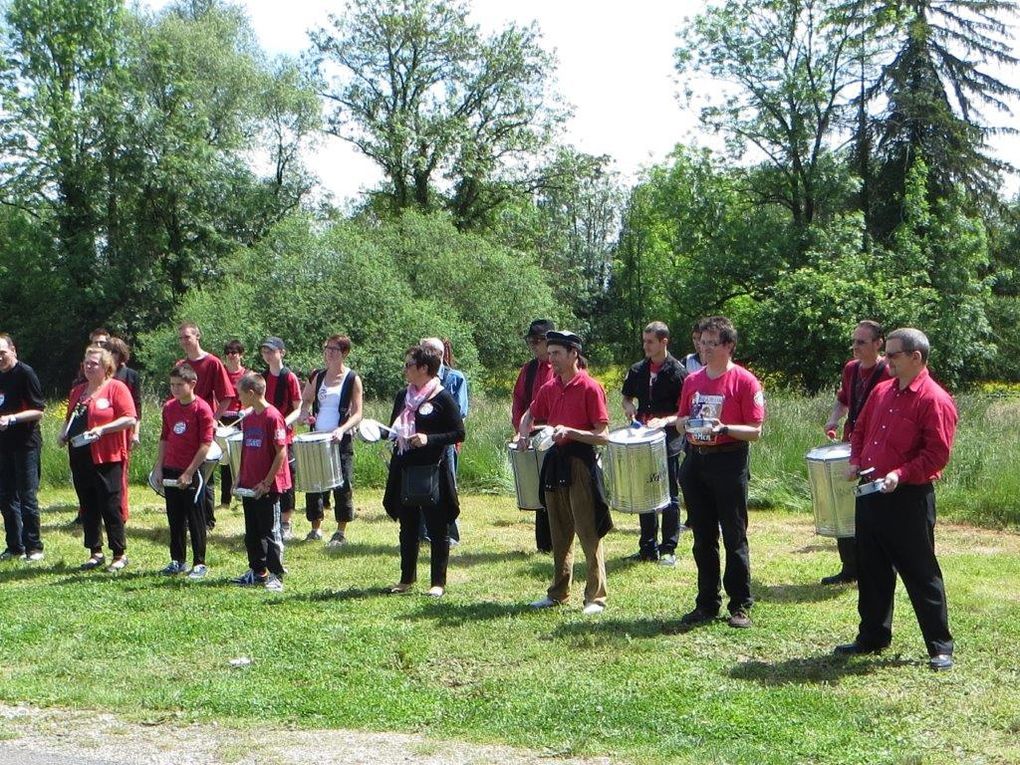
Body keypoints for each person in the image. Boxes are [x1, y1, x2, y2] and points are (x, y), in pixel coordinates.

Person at [835, 328, 958, 671]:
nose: (885, 360)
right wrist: (857, 461)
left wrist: (900, 474)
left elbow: (936, 455)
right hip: (872, 492)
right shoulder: (882, 391)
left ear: (916, 358)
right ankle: (872, 636)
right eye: (886, 354)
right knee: (871, 568)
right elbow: (859, 430)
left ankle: (939, 646)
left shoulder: (935, 399)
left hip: (908, 499)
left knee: (920, 572)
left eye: (892, 355)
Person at [651, 316, 765, 629]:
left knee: (734, 534)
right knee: (702, 537)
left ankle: (740, 604)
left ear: (729, 346)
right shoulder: (693, 380)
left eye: (713, 343)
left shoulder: (744, 381)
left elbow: (755, 431)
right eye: (702, 342)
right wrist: (681, 423)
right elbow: (681, 418)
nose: (705, 349)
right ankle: (706, 603)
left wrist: (724, 427)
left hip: (729, 461)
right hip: (696, 460)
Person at [518, 330, 611, 615]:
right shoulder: (549, 387)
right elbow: (529, 414)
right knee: (558, 532)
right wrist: (523, 434)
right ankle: (558, 592)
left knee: (587, 531)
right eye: (549, 353)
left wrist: (571, 432)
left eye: (556, 353)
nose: (551, 359)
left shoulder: (590, 387)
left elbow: (603, 435)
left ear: (573, 354)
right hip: (554, 462)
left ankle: (595, 598)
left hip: (581, 463)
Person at [382, 343, 465, 597]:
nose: (405, 370)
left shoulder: (441, 397)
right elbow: (393, 429)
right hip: (405, 468)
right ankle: (406, 579)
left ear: (424, 368)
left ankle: (437, 583)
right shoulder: (402, 396)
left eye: (408, 365)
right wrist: (380, 434)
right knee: (407, 527)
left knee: (438, 528)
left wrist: (429, 438)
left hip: (432, 471)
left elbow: (458, 433)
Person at [820, 320, 888, 585]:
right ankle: (849, 567)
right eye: (854, 341)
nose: (855, 347)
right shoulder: (850, 369)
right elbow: (843, 399)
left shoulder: (888, 371)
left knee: (874, 508)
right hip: (851, 444)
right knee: (844, 504)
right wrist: (833, 420)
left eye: (861, 342)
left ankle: (875, 567)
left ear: (878, 343)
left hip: (877, 448)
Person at [61, 346, 138, 571]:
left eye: (94, 363)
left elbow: (130, 418)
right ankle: (95, 551)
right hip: (80, 454)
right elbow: (70, 419)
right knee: (88, 502)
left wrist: (103, 429)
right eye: (86, 363)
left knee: (110, 503)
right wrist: (62, 433)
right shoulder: (79, 391)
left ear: (106, 367)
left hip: (107, 455)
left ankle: (119, 553)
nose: (89, 366)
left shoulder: (116, 388)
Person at [621, 321, 687, 565]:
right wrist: (630, 409)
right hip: (641, 438)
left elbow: (684, 412)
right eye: (644, 341)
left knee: (668, 493)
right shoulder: (637, 369)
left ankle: (668, 547)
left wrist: (664, 421)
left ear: (664, 342)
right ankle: (647, 547)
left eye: (650, 341)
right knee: (644, 492)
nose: (645, 346)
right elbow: (626, 398)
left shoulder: (679, 372)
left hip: (668, 441)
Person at [297, 335, 363, 547]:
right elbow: (306, 400)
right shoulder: (318, 375)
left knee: (342, 483)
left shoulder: (352, 378)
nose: (329, 352)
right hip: (317, 437)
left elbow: (358, 413)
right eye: (327, 348)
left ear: (344, 353)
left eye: (334, 349)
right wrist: (304, 414)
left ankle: (340, 531)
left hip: (339, 440)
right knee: (314, 483)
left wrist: (342, 429)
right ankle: (315, 529)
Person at [230, 373, 291, 592]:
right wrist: (238, 477)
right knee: (252, 532)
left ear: (252, 393)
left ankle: (276, 574)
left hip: (268, 486)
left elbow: (281, 452)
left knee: (270, 532)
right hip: (249, 483)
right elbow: (246, 450)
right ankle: (258, 572)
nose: (239, 398)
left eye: (240, 394)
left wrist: (266, 482)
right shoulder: (248, 417)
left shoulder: (273, 416)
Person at [153, 363, 214, 579]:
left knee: (195, 517)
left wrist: (189, 472)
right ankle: (177, 560)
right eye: (172, 385)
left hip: (192, 471)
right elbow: (164, 438)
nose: (175, 389)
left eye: (180, 385)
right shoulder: (169, 407)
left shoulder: (202, 409)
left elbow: (206, 444)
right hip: (170, 468)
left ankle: (199, 563)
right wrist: (159, 467)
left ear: (192, 384)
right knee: (175, 517)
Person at [177, 322, 234, 529]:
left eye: (187, 337)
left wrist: (212, 419)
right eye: (181, 338)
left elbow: (227, 396)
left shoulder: (213, 363)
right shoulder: (181, 365)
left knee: (204, 473)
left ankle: (206, 521)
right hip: (184, 427)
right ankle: (186, 518)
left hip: (203, 427)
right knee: (184, 469)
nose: (184, 341)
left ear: (197, 336)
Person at [511, 319, 557, 553]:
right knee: (539, 491)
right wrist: (521, 430)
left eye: (537, 341)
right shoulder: (528, 370)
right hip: (532, 433)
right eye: (531, 341)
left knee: (557, 491)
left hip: (557, 435)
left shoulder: (565, 367)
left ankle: (561, 542)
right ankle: (544, 545)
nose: (534, 346)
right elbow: (519, 400)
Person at [0, 334, 46, 562]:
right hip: (3, 446)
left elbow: (38, 410)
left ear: (13, 351)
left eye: (2, 353)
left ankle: (34, 546)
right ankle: (14, 546)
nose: (0, 358)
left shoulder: (25, 373)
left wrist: (12, 419)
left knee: (27, 496)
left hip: (26, 444)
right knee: (6, 496)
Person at [420, 337, 467, 545]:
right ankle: (422, 533)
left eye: (429, 351)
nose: (424, 355)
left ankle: (450, 534)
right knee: (421, 484)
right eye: (422, 351)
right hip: (420, 443)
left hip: (445, 443)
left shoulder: (454, 378)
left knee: (447, 486)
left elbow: (461, 412)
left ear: (440, 355)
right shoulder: (417, 378)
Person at [259, 338, 303, 538]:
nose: (268, 355)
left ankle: (286, 522)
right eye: (265, 352)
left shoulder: (289, 377)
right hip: (265, 435)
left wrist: (284, 423)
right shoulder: (262, 377)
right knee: (266, 474)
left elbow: (298, 407)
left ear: (281, 353)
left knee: (286, 478)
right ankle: (269, 519)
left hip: (285, 436)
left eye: (271, 351)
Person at [106, 337, 141, 523]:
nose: (111, 355)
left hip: (124, 429)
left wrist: (136, 432)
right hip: (103, 429)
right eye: (108, 351)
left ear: (122, 354)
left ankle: (122, 512)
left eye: (115, 352)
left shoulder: (131, 375)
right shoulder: (102, 374)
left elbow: (137, 408)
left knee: (121, 472)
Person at [218, 339, 247, 506]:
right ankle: (225, 500)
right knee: (224, 459)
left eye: (234, 353)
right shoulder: (221, 373)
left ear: (241, 355)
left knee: (239, 458)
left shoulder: (246, 374)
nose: (230, 356)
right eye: (228, 353)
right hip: (222, 419)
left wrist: (244, 412)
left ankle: (241, 494)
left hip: (239, 418)